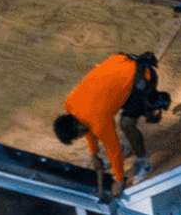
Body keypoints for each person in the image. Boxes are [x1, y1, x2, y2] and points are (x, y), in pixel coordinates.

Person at [53, 53, 168, 198]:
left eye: (78, 136)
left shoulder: (98, 120)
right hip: (122, 64)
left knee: (127, 124)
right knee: (108, 120)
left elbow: (112, 150)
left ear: (78, 128)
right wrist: (94, 154)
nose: (82, 136)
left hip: (142, 79)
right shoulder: (71, 104)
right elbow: (87, 126)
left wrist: (119, 181)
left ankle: (144, 164)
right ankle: (125, 147)